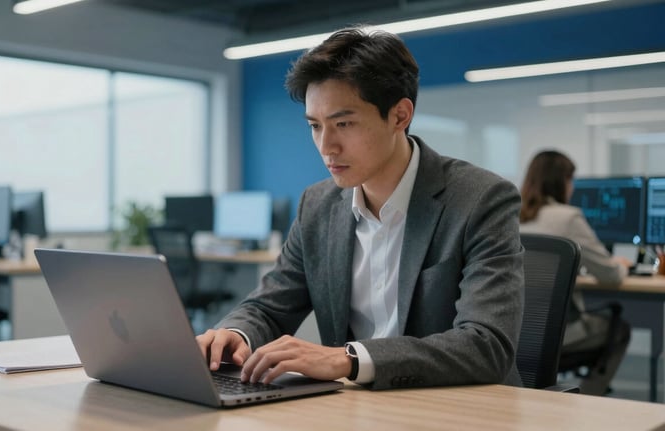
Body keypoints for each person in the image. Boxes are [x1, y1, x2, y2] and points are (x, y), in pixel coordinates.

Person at [196, 27, 525, 390]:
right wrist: (235, 333)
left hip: (462, 405)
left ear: (400, 116)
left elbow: (486, 344)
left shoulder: (480, 199)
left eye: (344, 123)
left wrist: (349, 359)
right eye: (315, 126)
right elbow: (269, 307)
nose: (326, 146)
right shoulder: (317, 206)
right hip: (357, 405)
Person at [519, 150, 632, 396]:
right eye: (571, 180)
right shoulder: (568, 217)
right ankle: (587, 400)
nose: (572, 188)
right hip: (555, 334)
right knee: (620, 330)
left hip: (516, 332)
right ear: (561, 181)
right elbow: (611, 275)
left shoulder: (513, 213)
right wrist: (623, 264)